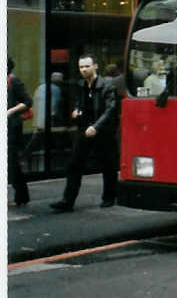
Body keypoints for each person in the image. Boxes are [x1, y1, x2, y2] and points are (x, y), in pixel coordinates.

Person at [50, 55, 119, 211]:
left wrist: (96, 126)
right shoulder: (81, 85)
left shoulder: (107, 86)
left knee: (107, 165)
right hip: (84, 129)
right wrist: (76, 111)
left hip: (102, 131)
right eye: (81, 67)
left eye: (87, 66)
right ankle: (67, 201)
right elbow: (79, 103)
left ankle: (109, 197)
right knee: (74, 164)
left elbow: (111, 109)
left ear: (95, 66)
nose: (83, 70)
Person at [7, 58, 33, 207]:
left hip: (11, 129)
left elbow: (28, 101)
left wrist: (10, 111)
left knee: (13, 163)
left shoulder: (13, 81)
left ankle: (22, 196)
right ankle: (22, 196)